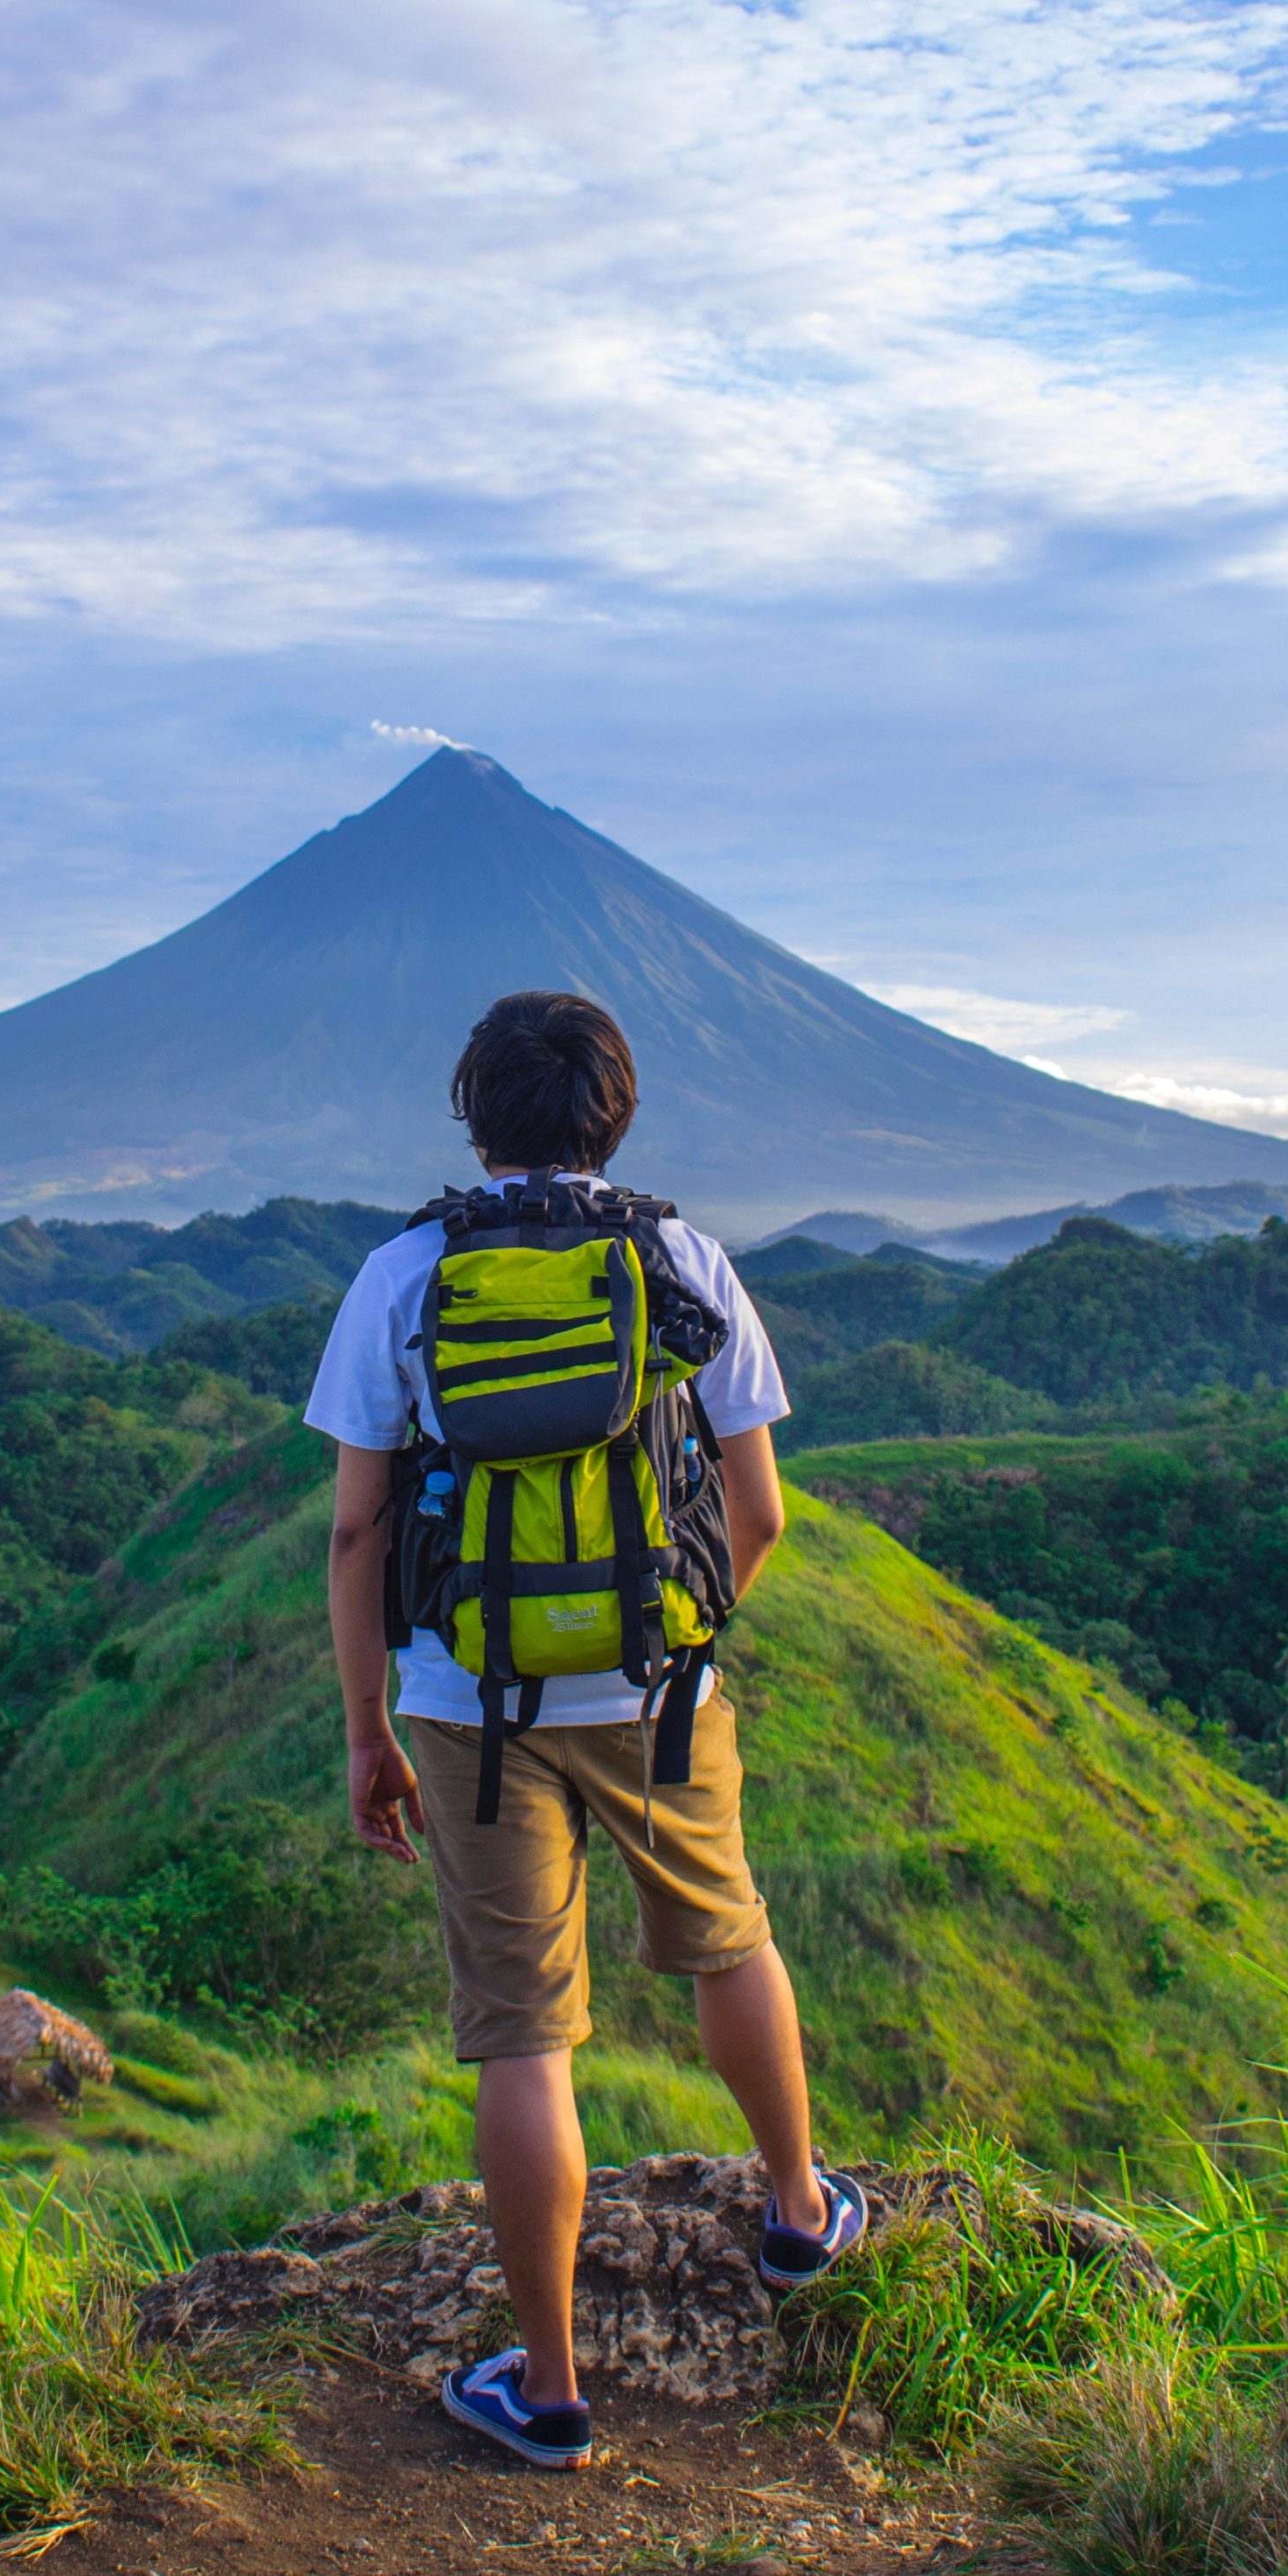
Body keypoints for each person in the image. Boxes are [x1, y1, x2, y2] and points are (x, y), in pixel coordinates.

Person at [307, 988, 867, 2470]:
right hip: (658, 1691)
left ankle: (551, 2394)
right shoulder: (679, 1257)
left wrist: (369, 1727)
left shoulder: (405, 1272)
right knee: (729, 1936)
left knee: (522, 2034)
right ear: (615, 1110)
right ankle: (800, 2219)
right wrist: (679, 1637)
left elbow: (359, 1536)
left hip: (464, 1703)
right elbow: (759, 1510)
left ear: (473, 1111)